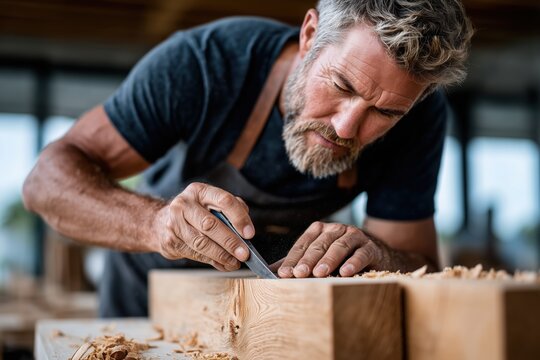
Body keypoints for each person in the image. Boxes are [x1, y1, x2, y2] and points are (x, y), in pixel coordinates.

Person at [23, 0, 473, 317]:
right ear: (310, 34)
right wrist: (157, 224)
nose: (346, 128)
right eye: (341, 86)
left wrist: (381, 256)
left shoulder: (420, 115)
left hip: (270, 311)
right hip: (147, 297)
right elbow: (45, 183)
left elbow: (421, 266)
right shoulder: (205, 64)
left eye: (385, 113)